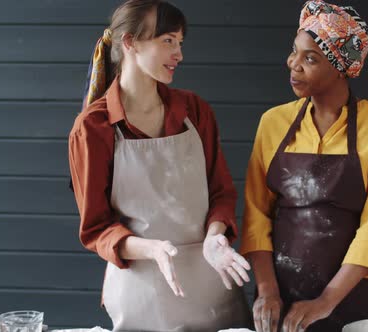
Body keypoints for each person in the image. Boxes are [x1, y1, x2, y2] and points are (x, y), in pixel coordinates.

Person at [68, 1, 251, 330]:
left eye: (180, 42)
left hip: (212, 286)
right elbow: (96, 229)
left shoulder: (196, 111)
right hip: (141, 294)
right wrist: (153, 249)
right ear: (130, 43)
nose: (179, 53)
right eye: (168, 41)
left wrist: (214, 237)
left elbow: (222, 193)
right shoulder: (93, 128)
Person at [240, 1, 368, 331]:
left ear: (341, 67)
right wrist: (267, 292)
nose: (293, 64)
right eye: (294, 51)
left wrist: (325, 302)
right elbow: (256, 214)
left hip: (355, 302)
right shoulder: (273, 122)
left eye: (310, 58)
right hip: (280, 302)